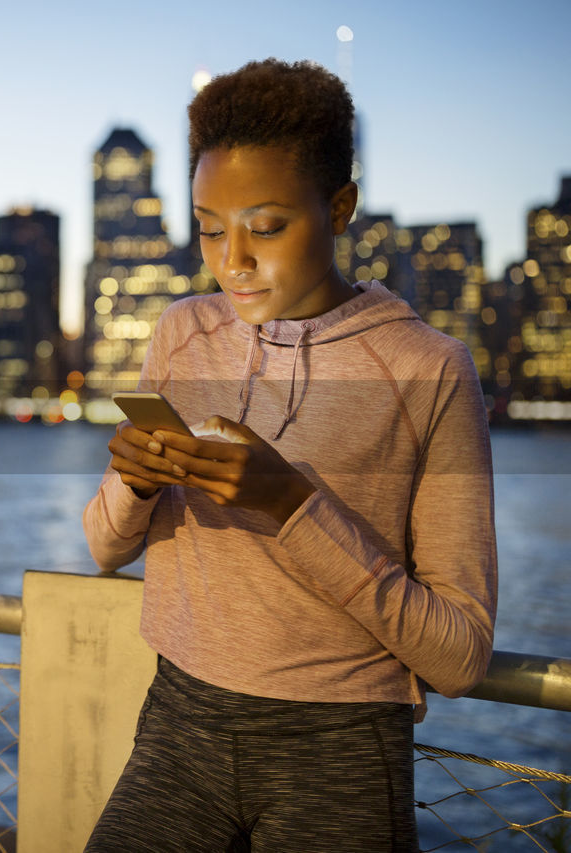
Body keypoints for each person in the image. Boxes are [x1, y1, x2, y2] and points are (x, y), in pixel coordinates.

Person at [81, 58, 498, 852]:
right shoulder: (182, 334)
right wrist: (133, 482)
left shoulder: (429, 369)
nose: (232, 259)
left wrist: (293, 507)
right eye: (209, 228)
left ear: (339, 207)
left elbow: (461, 654)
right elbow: (103, 545)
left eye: (265, 227)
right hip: (180, 724)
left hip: (339, 749)